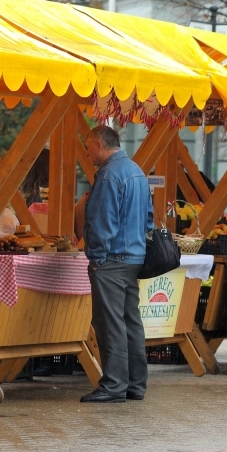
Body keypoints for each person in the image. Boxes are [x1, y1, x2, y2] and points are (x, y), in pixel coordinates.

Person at [81, 125, 153, 403]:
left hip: (111, 260)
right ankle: (136, 385)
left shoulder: (109, 175)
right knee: (130, 323)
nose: (88, 154)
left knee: (110, 324)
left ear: (99, 144)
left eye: (88, 148)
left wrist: (96, 258)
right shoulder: (137, 171)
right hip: (134, 258)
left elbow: (101, 222)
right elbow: (148, 219)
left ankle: (113, 386)